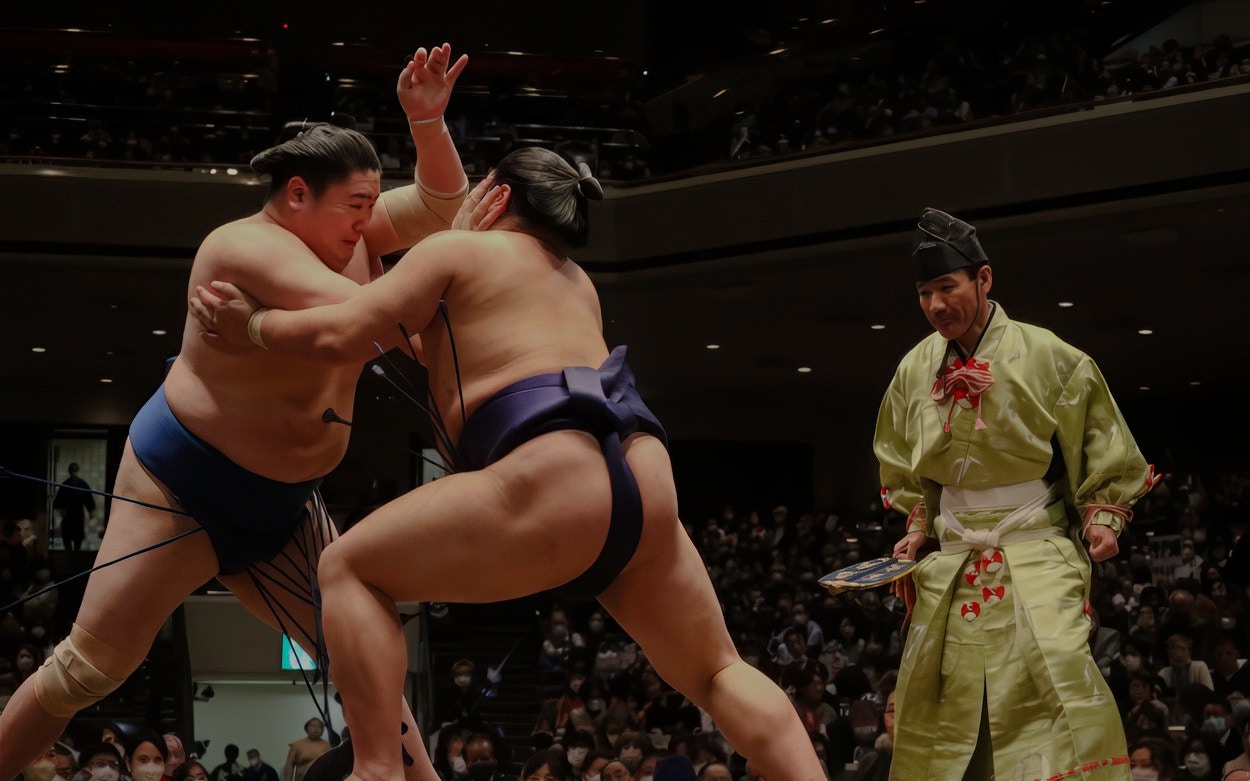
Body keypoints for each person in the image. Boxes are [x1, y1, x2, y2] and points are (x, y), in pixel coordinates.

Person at [190, 146, 827, 781]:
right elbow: (426, 342)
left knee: (346, 567)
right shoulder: (577, 280)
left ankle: (378, 770)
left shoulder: (454, 252)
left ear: (494, 192)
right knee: (716, 669)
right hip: (641, 473)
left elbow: (345, 334)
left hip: (554, 469)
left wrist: (254, 326)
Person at [0, 43, 469, 778]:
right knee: (85, 670)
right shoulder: (243, 248)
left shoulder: (352, 233)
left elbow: (442, 207)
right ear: (295, 194)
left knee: (362, 654)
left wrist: (429, 124)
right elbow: (374, 322)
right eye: (355, 205)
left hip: (283, 503)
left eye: (372, 206)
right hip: (180, 484)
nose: (367, 222)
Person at [876, 208, 1158, 780]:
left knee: (1056, 673)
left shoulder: (1051, 355)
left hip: (1033, 543)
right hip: (952, 558)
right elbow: (904, 464)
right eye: (924, 293)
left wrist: (1104, 515)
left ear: (983, 280)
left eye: (947, 288)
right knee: (939, 692)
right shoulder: (913, 369)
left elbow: (1102, 439)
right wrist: (916, 526)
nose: (935, 305)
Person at [52, 462, 94, 551]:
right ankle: (75, 558)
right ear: (78, 470)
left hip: (68, 516)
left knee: (67, 541)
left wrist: (62, 511)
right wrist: (90, 513)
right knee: (77, 542)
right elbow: (89, 501)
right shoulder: (82, 484)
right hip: (78, 516)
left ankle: (68, 559)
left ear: (69, 471)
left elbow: (57, 503)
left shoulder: (64, 484)